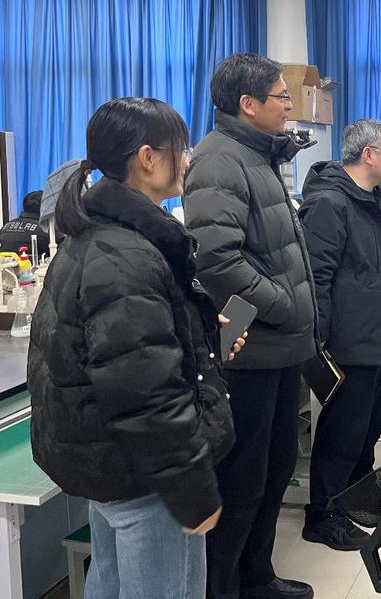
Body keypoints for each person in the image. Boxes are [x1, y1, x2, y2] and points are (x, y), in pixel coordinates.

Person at [27, 98, 238, 598]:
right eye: (180, 149)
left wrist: (198, 330)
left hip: (111, 465)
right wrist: (191, 488)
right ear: (147, 158)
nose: (187, 160)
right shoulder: (127, 256)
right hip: (145, 474)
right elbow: (145, 392)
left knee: (111, 581)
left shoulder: (99, 237)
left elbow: (127, 349)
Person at [184, 54, 317, 599]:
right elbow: (218, 261)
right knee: (242, 479)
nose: (290, 105)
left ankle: (257, 576)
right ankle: (226, 587)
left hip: (280, 345)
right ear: (249, 104)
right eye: (282, 96)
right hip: (251, 346)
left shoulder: (258, 155)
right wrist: (283, 305)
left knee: (274, 468)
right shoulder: (219, 161)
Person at [298, 119, 381, 551]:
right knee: (342, 434)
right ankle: (322, 516)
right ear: (369, 155)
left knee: (369, 428)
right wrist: (321, 343)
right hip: (350, 342)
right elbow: (317, 279)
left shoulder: (379, 198)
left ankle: (357, 499)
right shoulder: (329, 203)